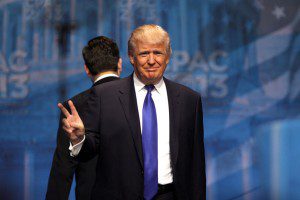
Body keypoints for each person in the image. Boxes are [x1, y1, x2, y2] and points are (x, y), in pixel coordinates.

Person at [59, 24, 206, 200]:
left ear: (167, 57)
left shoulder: (189, 100)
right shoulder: (105, 95)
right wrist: (79, 139)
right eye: (144, 54)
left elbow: (196, 165)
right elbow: (90, 152)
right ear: (131, 57)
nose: (152, 60)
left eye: (158, 53)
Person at [46, 36, 122, 200]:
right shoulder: (141, 99)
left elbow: (62, 170)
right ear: (120, 64)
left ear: (86, 69)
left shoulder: (73, 107)